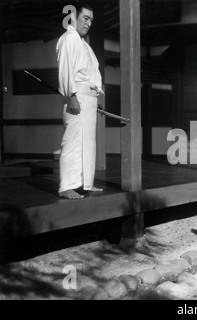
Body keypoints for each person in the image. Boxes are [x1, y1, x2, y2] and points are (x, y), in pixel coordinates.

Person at [56, 2, 104, 199]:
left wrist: (95, 96)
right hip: (76, 97)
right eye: (86, 18)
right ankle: (66, 186)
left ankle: (85, 183)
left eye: (91, 20)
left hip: (88, 98)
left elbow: (90, 74)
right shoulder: (68, 39)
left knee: (88, 144)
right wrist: (72, 95)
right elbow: (66, 71)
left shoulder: (84, 44)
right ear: (74, 17)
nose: (89, 23)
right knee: (73, 142)